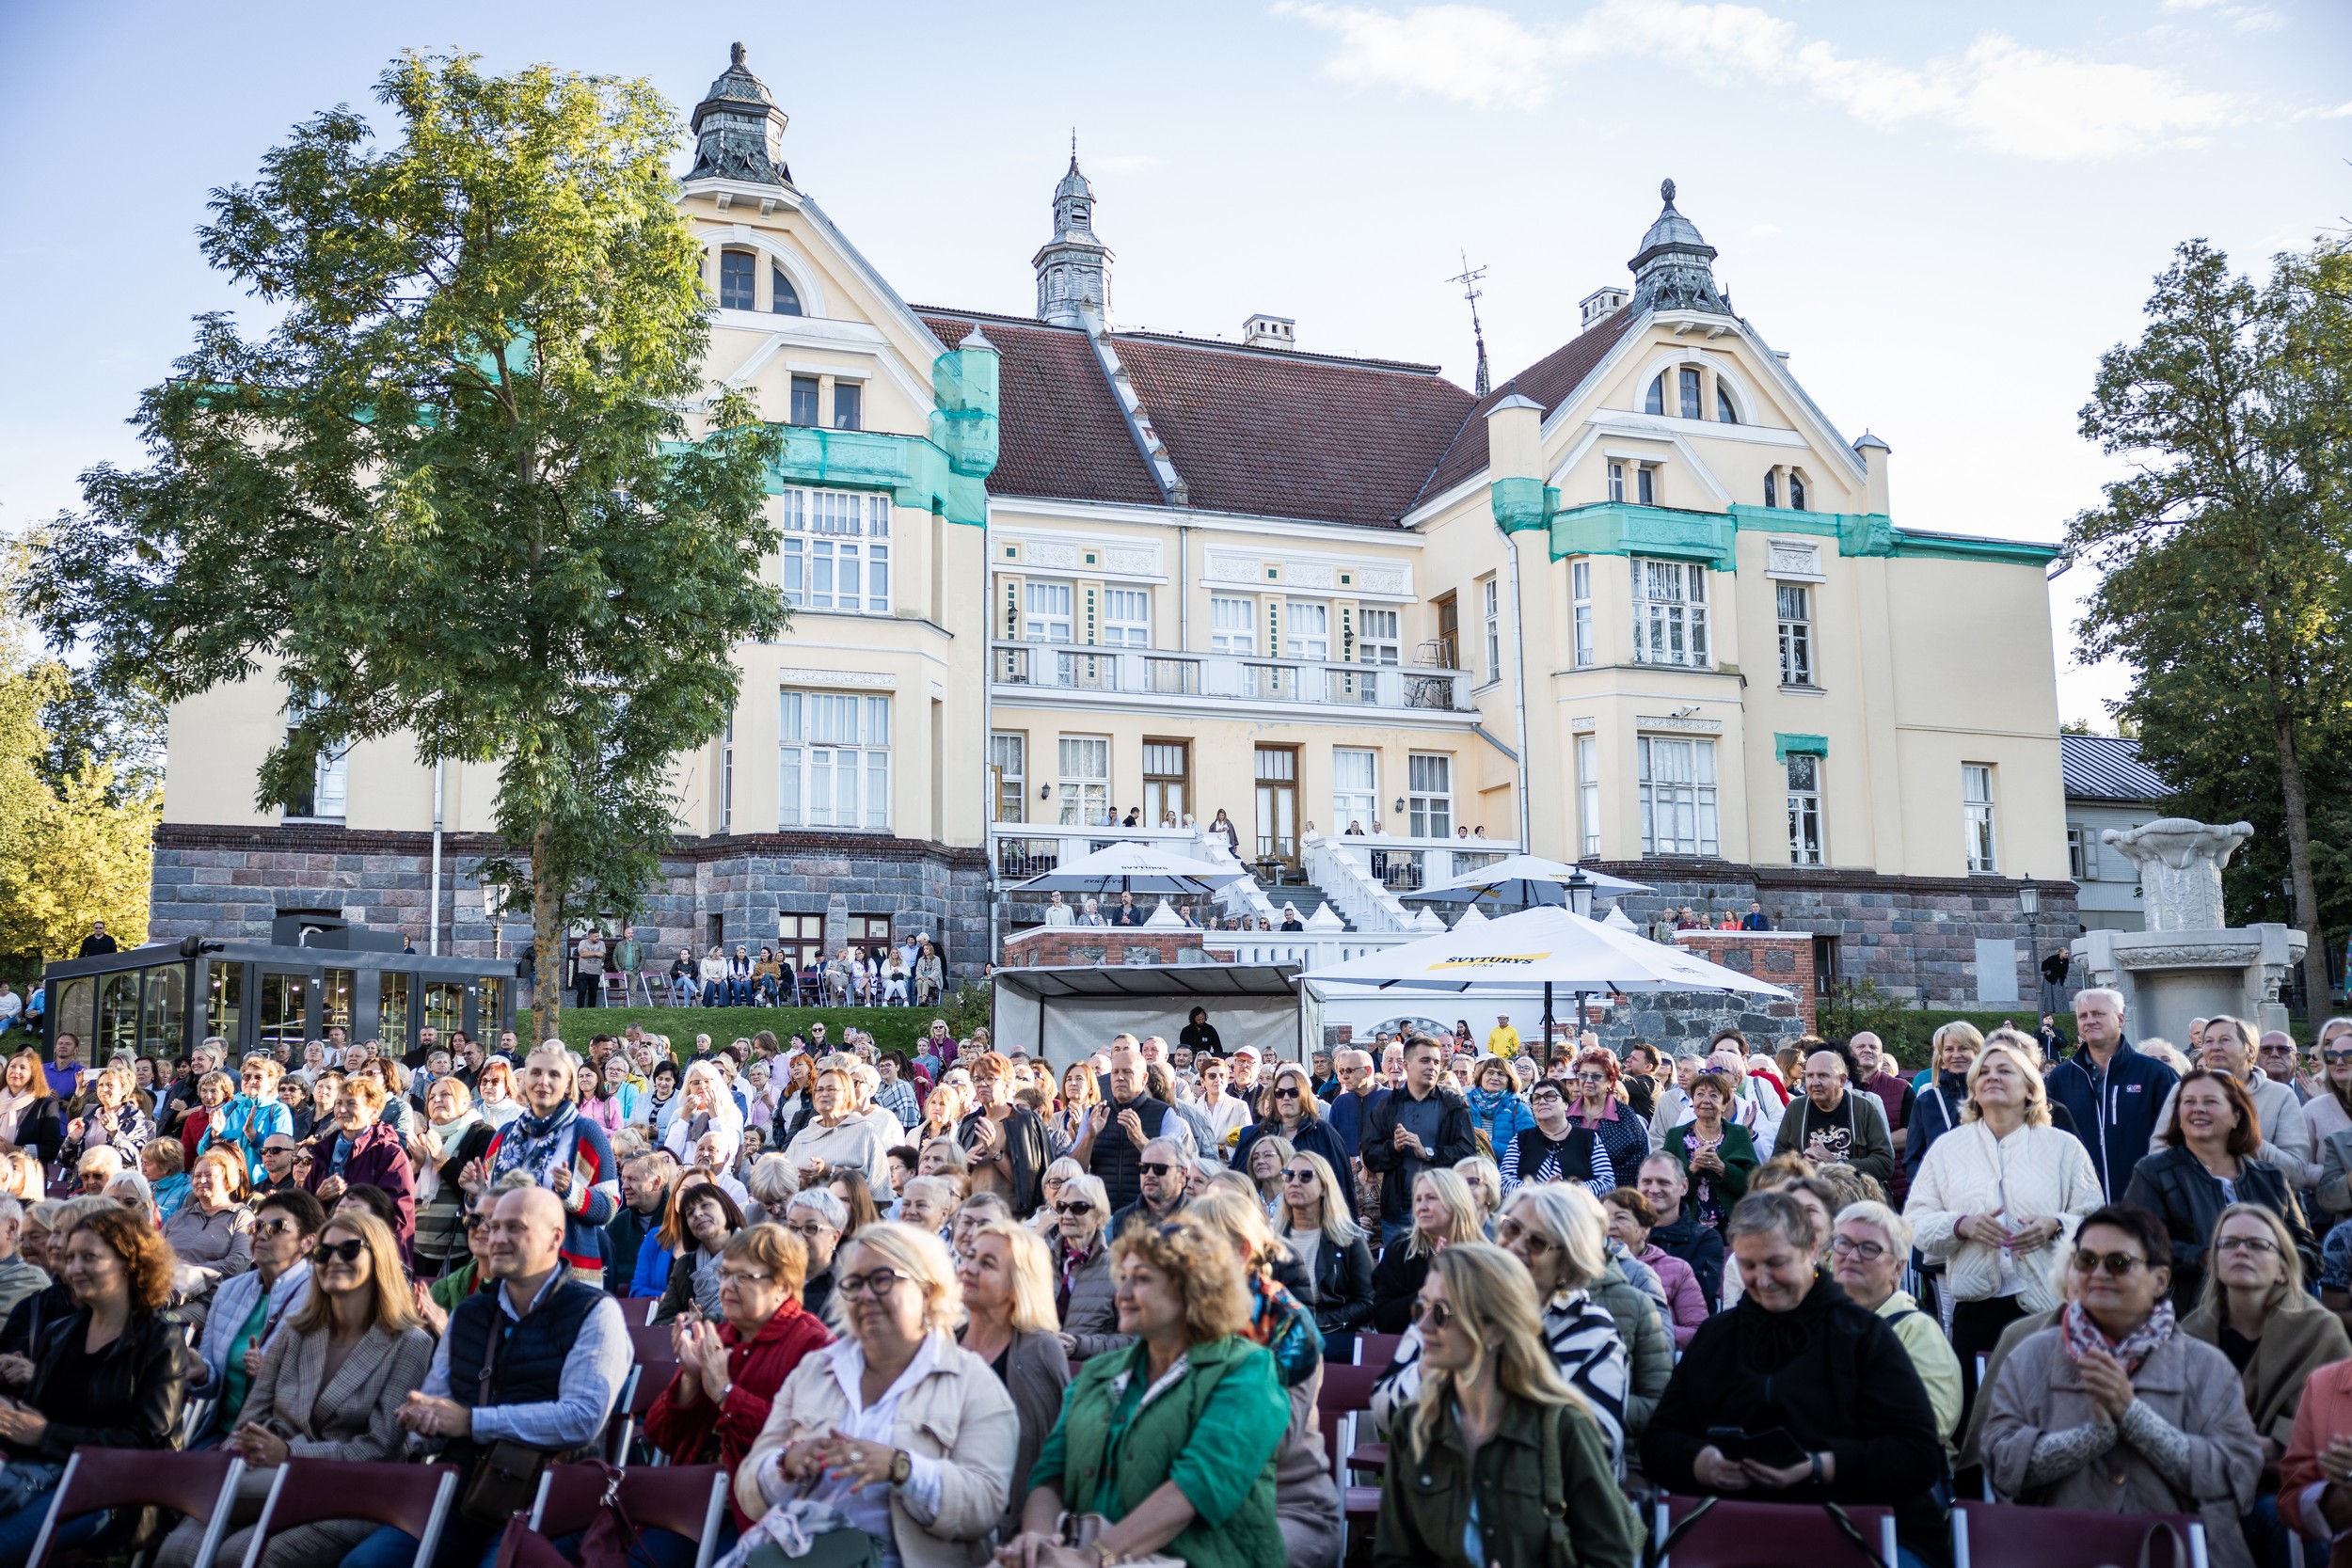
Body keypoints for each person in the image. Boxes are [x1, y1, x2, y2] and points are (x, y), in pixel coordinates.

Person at [1643, 1191, 1947, 1559]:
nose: (1763, 1280)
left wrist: (1820, 1466)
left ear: (1812, 1251)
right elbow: (1659, 1440)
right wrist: (1703, 1462)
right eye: (1749, 1265)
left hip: (1853, 1526)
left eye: (1777, 1263)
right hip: (1735, 1530)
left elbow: (1917, 1454)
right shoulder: (1718, 1337)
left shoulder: (1863, 1336)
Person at [347, 1187, 630, 1568]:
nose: (495, 1237)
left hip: (546, 1503)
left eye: (514, 1228)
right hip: (460, 1493)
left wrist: (470, 1422)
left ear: (555, 1238)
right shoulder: (469, 1314)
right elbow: (434, 1409)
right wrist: (423, 1421)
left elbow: (581, 1419)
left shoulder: (596, 1312)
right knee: (364, 1564)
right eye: (491, 1226)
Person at [1979, 1202, 2264, 1566]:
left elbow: (2235, 1480)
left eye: (2118, 1263)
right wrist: (2091, 1437)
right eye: (2086, 1260)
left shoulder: (2207, 1367)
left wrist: (2134, 1418)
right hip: (2059, 1554)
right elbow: (1999, 1467)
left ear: (2160, 1280)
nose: (2098, 1273)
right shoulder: (2029, 1358)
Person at [1004, 1212, 1288, 1568]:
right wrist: (1038, 1541)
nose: (1121, 1294)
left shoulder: (1247, 1371)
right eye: (1122, 1278)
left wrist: (1094, 1557)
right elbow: (1051, 1472)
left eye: (1141, 1280)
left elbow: (1199, 1484)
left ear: (1191, 1288)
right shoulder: (1098, 1372)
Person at [159, 1210, 433, 1568]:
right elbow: (251, 1416)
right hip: (263, 1480)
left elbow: (380, 1448)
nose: (333, 1259)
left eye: (349, 1249)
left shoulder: (410, 1344)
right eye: (323, 1252)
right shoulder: (296, 1331)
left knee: (242, 1558)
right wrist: (245, 1450)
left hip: (348, 1495)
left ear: (379, 1256)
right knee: (178, 1554)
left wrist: (288, 1453)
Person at [736, 1222, 1016, 1567]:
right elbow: (748, 1490)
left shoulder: (972, 1383)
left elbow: (984, 1506)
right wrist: (787, 1463)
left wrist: (903, 1469)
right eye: (854, 1285)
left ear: (927, 1291)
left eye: (883, 1280)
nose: (866, 1296)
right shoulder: (815, 1370)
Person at [1371, 1242, 1640, 1568]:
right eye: (1421, 1308)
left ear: (1496, 1328)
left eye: (1441, 1312)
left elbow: (1610, 1558)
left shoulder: (1563, 1428)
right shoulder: (1415, 1425)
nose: (1422, 1326)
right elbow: (1394, 1556)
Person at [1906, 1033, 2105, 1408]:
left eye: (2005, 1070)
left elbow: (2095, 1218)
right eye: (1984, 1072)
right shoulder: (1949, 1148)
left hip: (2047, 1306)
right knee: (1984, 1421)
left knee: (2051, 1413)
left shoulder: (2062, 1146)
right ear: (1974, 1091)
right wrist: (1959, 1226)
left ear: (2031, 1089)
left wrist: (2057, 1225)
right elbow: (1915, 1223)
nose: (1992, 1077)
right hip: (1977, 1308)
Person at [0, 1205, 189, 1568]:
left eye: (89, 1257)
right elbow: (36, 1415)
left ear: (129, 1262)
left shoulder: (158, 1340)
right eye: (70, 1258)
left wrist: (46, 1435)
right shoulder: (62, 1333)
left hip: (118, 1493)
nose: (73, 1268)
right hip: (40, 1473)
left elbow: (146, 1440)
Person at [2183, 1203, 2348, 1563]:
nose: (2241, 1250)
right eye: (2229, 1244)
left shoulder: (2320, 1329)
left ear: (2284, 1268)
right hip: (2204, 1484)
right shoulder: (2187, 1335)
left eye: (2257, 1245)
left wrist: (2272, 1443)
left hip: (2282, 1484)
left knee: (2282, 1517)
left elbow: (2334, 1425)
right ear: (2215, 1260)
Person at [644, 1224, 834, 1535]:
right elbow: (659, 1436)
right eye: (725, 1274)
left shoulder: (815, 1347)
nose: (727, 1287)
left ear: (783, 1287)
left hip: (758, 1515)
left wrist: (725, 1394)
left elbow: (801, 1450)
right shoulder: (718, 1336)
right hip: (689, 1498)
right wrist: (690, 1381)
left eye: (744, 1277)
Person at [2126, 1067, 2320, 1308]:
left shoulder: (2270, 1177)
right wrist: (2206, 1258)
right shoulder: (2154, 1172)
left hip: (2273, 1314)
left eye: (2210, 1101)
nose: (2198, 1108)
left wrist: (2275, 1264)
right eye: (2189, 1101)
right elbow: (2137, 1242)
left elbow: (2308, 1248)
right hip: (2188, 1314)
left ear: (2236, 1116)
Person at [954, 1221, 1073, 1543]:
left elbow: (1056, 1455)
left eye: (987, 1263)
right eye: (969, 1257)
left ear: (1017, 1284)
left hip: (1009, 1533)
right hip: (941, 1520)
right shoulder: (943, 1345)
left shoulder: (1040, 1351)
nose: (968, 1268)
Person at [1829, 1201, 1963, 1465]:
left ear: (1898, 1269)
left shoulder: (1918, 1332)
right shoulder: (1811, 1323)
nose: (1852, 1256)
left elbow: (1932, 1422)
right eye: (1843, 1243)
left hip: (1891, 1480)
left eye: (1869, 1248)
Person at [191, 1188, 323, 1441]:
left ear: (307, 1241)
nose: (261, 1234)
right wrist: (200, 1370)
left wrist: (272, 1374)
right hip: (222, 1433)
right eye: (257, 1226)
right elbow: (212, 1384)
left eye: (276, 1227)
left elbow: (323, 1394)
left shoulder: (320, 1298)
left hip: (279, 1442)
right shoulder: (230, 1290)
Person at [2150, 1014, 2319, 1187]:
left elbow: (2298, 1172)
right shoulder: (2182, 1091)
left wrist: (2248, 1140)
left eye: (2224, 1040)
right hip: (2192, 1203)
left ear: (2250, 1050)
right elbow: (2158, 1154)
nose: (2215, 1047)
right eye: (2208, 1041)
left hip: (2259, 1206)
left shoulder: (2280, 1096)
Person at [2045, 987, 2177, 1196]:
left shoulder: (2156, 1074)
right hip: (2083, 1204)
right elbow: (2049, 1138)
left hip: (2147, 1200)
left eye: (2098, 1014)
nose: (2090, 1020)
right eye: (2083, 1016)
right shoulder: (2061, 1077)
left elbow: (2178, 1137)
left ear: (2120, 1018)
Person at [1362, 1036, 1476, 1251]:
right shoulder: (1387, 1105)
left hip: (1444, 1208)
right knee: (1399, 1279)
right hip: (1399, 1212)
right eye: (1425, 1060)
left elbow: (1467, 1154)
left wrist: (1428, 1152)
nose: (1432, 1067)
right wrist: (1393, 1147)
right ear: (1406, 1065)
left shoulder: (1454, 1104)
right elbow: (1370, 1156)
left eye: (1436, 1062)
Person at [1276, 1150, 1373, 1362]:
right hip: (1284, 1332)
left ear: (1323, 1187)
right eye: (1288, 1175)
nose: (1294, 1182)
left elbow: (1367, 1303)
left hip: (1336, 1333)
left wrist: (1316, 1321)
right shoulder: (1272, 1240)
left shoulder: (1350, 1239)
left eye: (1305, 1176)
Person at [1373, 1167, 1485, 1334]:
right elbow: (1382, 1318)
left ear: (1456, 1202)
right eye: (1418, 1200)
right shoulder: (1402, 1247)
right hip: (1409, 1349)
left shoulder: (1482, 1255)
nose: (1422, 1207)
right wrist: (1430, 1290)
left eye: (1431, 1198)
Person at [1771, 1045, 1896, 1189]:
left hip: (1853, 1196)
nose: (1815, 1082)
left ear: (1842, 1080)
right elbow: (1777, 1158)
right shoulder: (1796, 1109)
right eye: (1810, 1076)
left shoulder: (1863, 1108)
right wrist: (1802, 1164)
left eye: (1823, 1075)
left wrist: (1837, 1164)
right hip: (1809, 1196)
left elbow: (1885, 1164)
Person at [1072, 1043, 1174, 1216]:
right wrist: (1090, 1136)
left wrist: (1140, 1140)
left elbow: (1174, 1169)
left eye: (1127, 1072)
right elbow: (1074, 1170)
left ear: (1144, 1078)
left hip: (1148, 1215)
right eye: (1115, 1072)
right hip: (1102, 1215)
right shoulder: (1094, 1113)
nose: (1119, 1078)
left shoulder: (1163, 1113)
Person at [163, 1146, 257, 1325]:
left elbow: (239, 1262)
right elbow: (153, 1251)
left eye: (209, 1175)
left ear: (227, 1180)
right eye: (197, 1176)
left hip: (208, 1300)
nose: (201, 1180)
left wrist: (194, 1268)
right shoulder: (180, 1216)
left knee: (162, 1321)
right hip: (165, 1284)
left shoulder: (241, 1216)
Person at [1660, 1067, 1759, 1234]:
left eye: (1714, 1095)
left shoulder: (1738, 1134)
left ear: (1724, 1104)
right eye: (1700, 1094)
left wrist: (1722, 1168)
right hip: (1687, 1229)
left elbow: (1754, 1183)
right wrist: (1693, 1169)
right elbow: (1665, 1185)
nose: (1706, 1100)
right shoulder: (1676, 1136)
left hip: (1733, 1229)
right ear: (1692, 1101)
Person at [1603, 1188, 1706, 1348]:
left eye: (1620, 1217)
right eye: (1603, 1219)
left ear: (1645, 1228)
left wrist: (1644, 1331)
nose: (1610, 1226)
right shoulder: (1588, 1268)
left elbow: (1698, 1331)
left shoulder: (1678, 1269)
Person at [959, 1052, 1049, 1217]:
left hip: (1011, 1219)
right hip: (974, 1217)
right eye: (977, 1079)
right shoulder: (969, 1124)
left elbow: (1030, 1183)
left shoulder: (1024, 1121)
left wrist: (995, 1152)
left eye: (990, 1078)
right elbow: (956, 1181)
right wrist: (962, 1162)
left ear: (1007, 1085)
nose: (982, 1084)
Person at [1902, 1021, 1982, 1192]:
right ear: (1942, 1058)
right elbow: (1913, 1160)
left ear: (1978, 1053)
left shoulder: (1992, 1097)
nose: (1956, 1054)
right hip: (1942, 1197)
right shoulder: (1927, 1102)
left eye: (1963, 1048)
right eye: (1949, 1049)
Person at [656, 1180, 747, 1323]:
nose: (697, 1214)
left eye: (705, 1205)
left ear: (725, 1208)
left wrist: (703, 1320)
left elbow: (760, 1314)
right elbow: (661, 1322)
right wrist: (685, 1321)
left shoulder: (756, 1252)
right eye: (690, 1213)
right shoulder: (684, 1266)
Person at [782, 1188, 846, 1326]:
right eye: (792, 1228)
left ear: (834, 1238)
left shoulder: (846, 1289)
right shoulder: (772, 1277)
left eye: (811, 1228)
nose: (798, 1238)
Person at [0, 1053, 62, 1169]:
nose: (16, 1071)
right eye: (12, 1066)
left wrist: (17, 1149)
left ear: (33, 1074)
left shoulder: (45, 1105)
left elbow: (52, 1149)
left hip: (27, 1176)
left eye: (23, 1068)